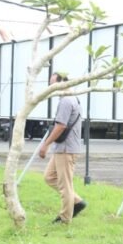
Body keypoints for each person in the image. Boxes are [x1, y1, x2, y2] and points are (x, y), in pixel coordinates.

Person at [38, 72, 87, 224]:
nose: (51, 87)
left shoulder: (66, 101)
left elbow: (60, 126)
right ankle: (77, 202)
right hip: (63, 148)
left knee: (65, 184)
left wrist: (45, 144)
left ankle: (65, 218)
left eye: (53, 84)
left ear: (63, 83)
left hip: (66, 149)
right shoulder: (73, 98)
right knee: (49, 177)